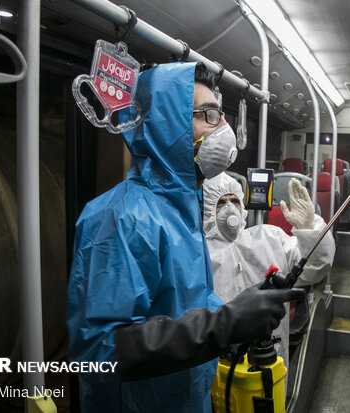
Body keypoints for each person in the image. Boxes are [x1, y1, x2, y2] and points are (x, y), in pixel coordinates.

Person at [66, 62, 304, 412]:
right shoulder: (121, 216)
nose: (221, 128)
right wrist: (225, 324)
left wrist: (238, 309)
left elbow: (184, 309)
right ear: (168, 123)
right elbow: (98, 350)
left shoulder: (183, 208)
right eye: (207, 115)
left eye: (220, 115)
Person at [202, 172, 336, 370]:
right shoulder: (200, 254)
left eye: (235, 201)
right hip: (218, 362)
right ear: (206, 208)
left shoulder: (268, 237)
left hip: (269, 356)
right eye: (221, 202)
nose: (230, 208)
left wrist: (310, 228)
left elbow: (318, 266)